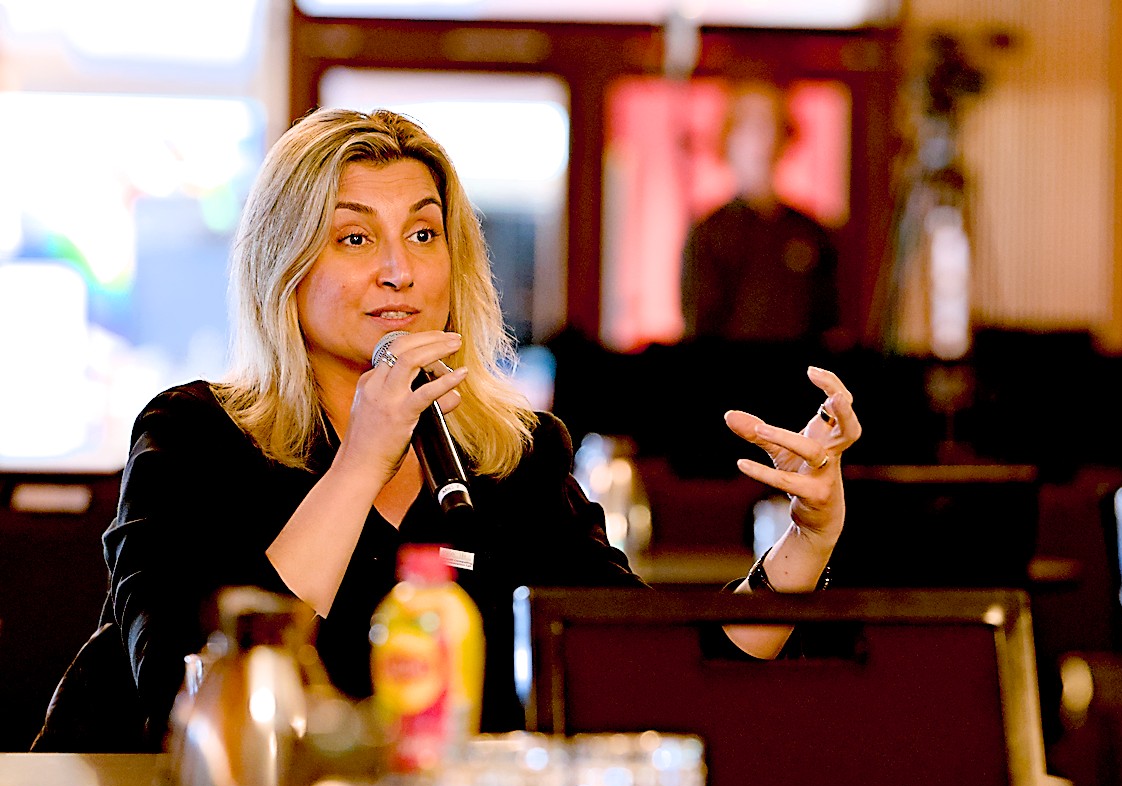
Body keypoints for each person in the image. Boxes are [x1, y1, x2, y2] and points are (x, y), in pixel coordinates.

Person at [37, 107, 861, 752]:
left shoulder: (515, 457)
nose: (399, 270)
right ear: (283, 267)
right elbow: (195, 694)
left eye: (423, 234)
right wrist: (362, 461)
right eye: (355, 237)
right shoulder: (193, 438)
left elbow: (653, 678)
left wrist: (806, 539)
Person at [680, 79, 841, 348]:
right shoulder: (709, 234)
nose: (761, 139)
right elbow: (700, 331)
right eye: (749, 126)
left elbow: (829, 327)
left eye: (770, 125)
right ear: (728, 137)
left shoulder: (811, 234)